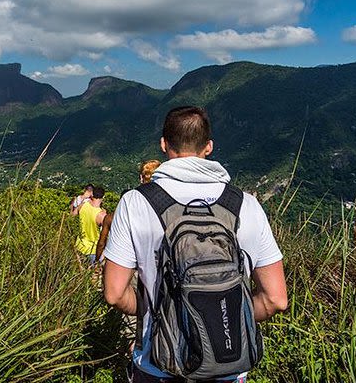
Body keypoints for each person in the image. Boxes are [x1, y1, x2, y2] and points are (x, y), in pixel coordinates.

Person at [102, 106, 287, 383]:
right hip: (228, 369)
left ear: (164, 144)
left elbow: (115, 294)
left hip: (158, 366)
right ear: (209, 147)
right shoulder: (246, 204)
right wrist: (221, 319)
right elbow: (276, 299)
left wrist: (156, 312)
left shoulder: (135, 202)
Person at [95, 160, 160, 262]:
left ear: (141, 177)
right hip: (160, 259)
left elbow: (104, 242)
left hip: (131, 259)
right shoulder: (168, 198)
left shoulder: (130, 199)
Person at [75, 185, 106, 266]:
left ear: (92, 194)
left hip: (79, 246)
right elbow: (105, 238)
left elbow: (73, 214)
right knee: (94, 277)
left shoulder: (83, 205)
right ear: (103, 197)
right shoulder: (101, 215)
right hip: (93, 250)